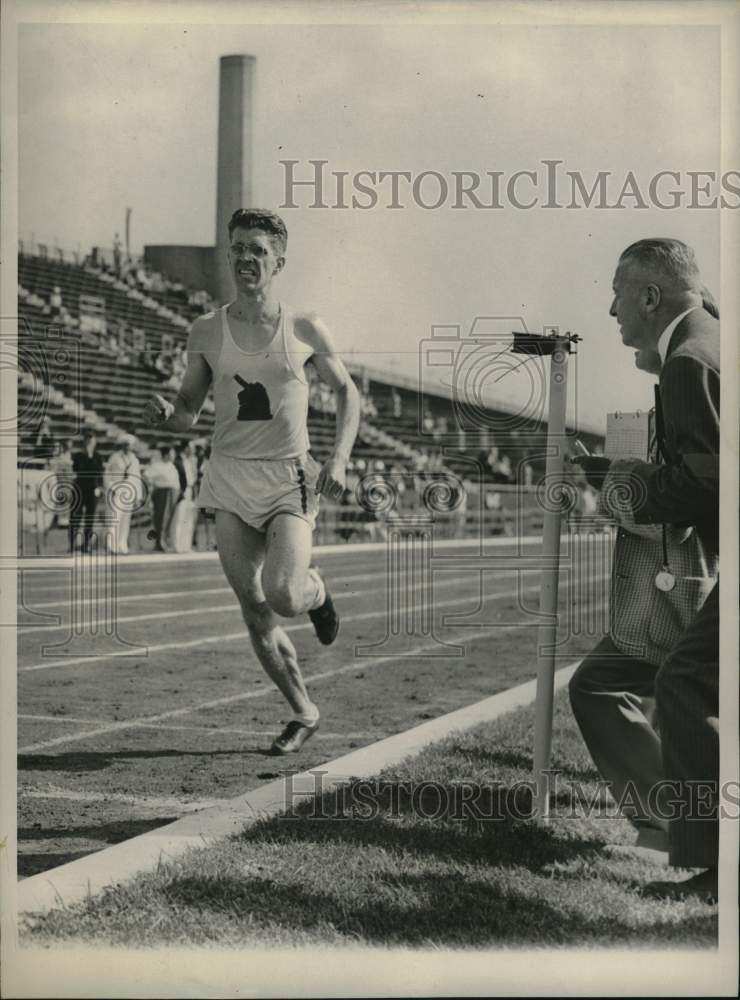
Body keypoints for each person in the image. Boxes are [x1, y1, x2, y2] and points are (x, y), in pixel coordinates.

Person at [144, 208, 360, 755]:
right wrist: (169, 414)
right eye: (237, 247)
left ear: (278, 261)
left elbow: (347, 393)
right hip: (230, 479)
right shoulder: (206, 330)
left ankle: (318, 592)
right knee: (254, 607)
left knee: (284, 593)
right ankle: (303, 710)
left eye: (258, 250)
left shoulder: (304, 327)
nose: (245, 258)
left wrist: (338, 460)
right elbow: (191, 405)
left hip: (289, 476)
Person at [573, 239, 720, 902]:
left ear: (651, 295)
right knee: (631, 680)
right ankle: (684, 834)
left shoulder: (689, 362)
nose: (611, 309)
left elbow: (698, 490)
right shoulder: (707, 340)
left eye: (618, 292)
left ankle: (715, 865)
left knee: (688, 684)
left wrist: (619, 485)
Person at [104, 433, 143, 554]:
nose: (127, 447)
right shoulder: (114, 457)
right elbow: (107, 474)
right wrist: (111, 488)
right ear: (122, 446)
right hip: (117, 490)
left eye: (129, 445)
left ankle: (122, 544)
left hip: (129, 492)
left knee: (126, 519)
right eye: (125, 445)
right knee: (114, 518)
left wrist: (138, 495)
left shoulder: (135, 460)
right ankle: (111, 545)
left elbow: (137, 478)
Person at [70, 429, 104, 552]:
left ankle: (86, 544)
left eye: (91, 440)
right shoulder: (78, 456)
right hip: (79, 488)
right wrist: (87, 456)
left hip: (92, 490)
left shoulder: (98, 457)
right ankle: (72, 543)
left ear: (95, 442)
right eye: (87, 440)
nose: (89, 442)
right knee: (75, 517)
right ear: (84, 442)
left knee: (90, 518)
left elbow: (98, 471)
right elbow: (79, 470)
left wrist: (90, 456)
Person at [143, 445, 179, 551]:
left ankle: (164, 541)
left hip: (173, 492)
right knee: (161, 518)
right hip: (162, 493)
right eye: (171, 453)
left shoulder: (171, 465)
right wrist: (153, 484)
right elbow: (146, 475)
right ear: (166, 454)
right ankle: (159, 542)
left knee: (169, 518)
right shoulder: (157, 465)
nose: (173, 456)